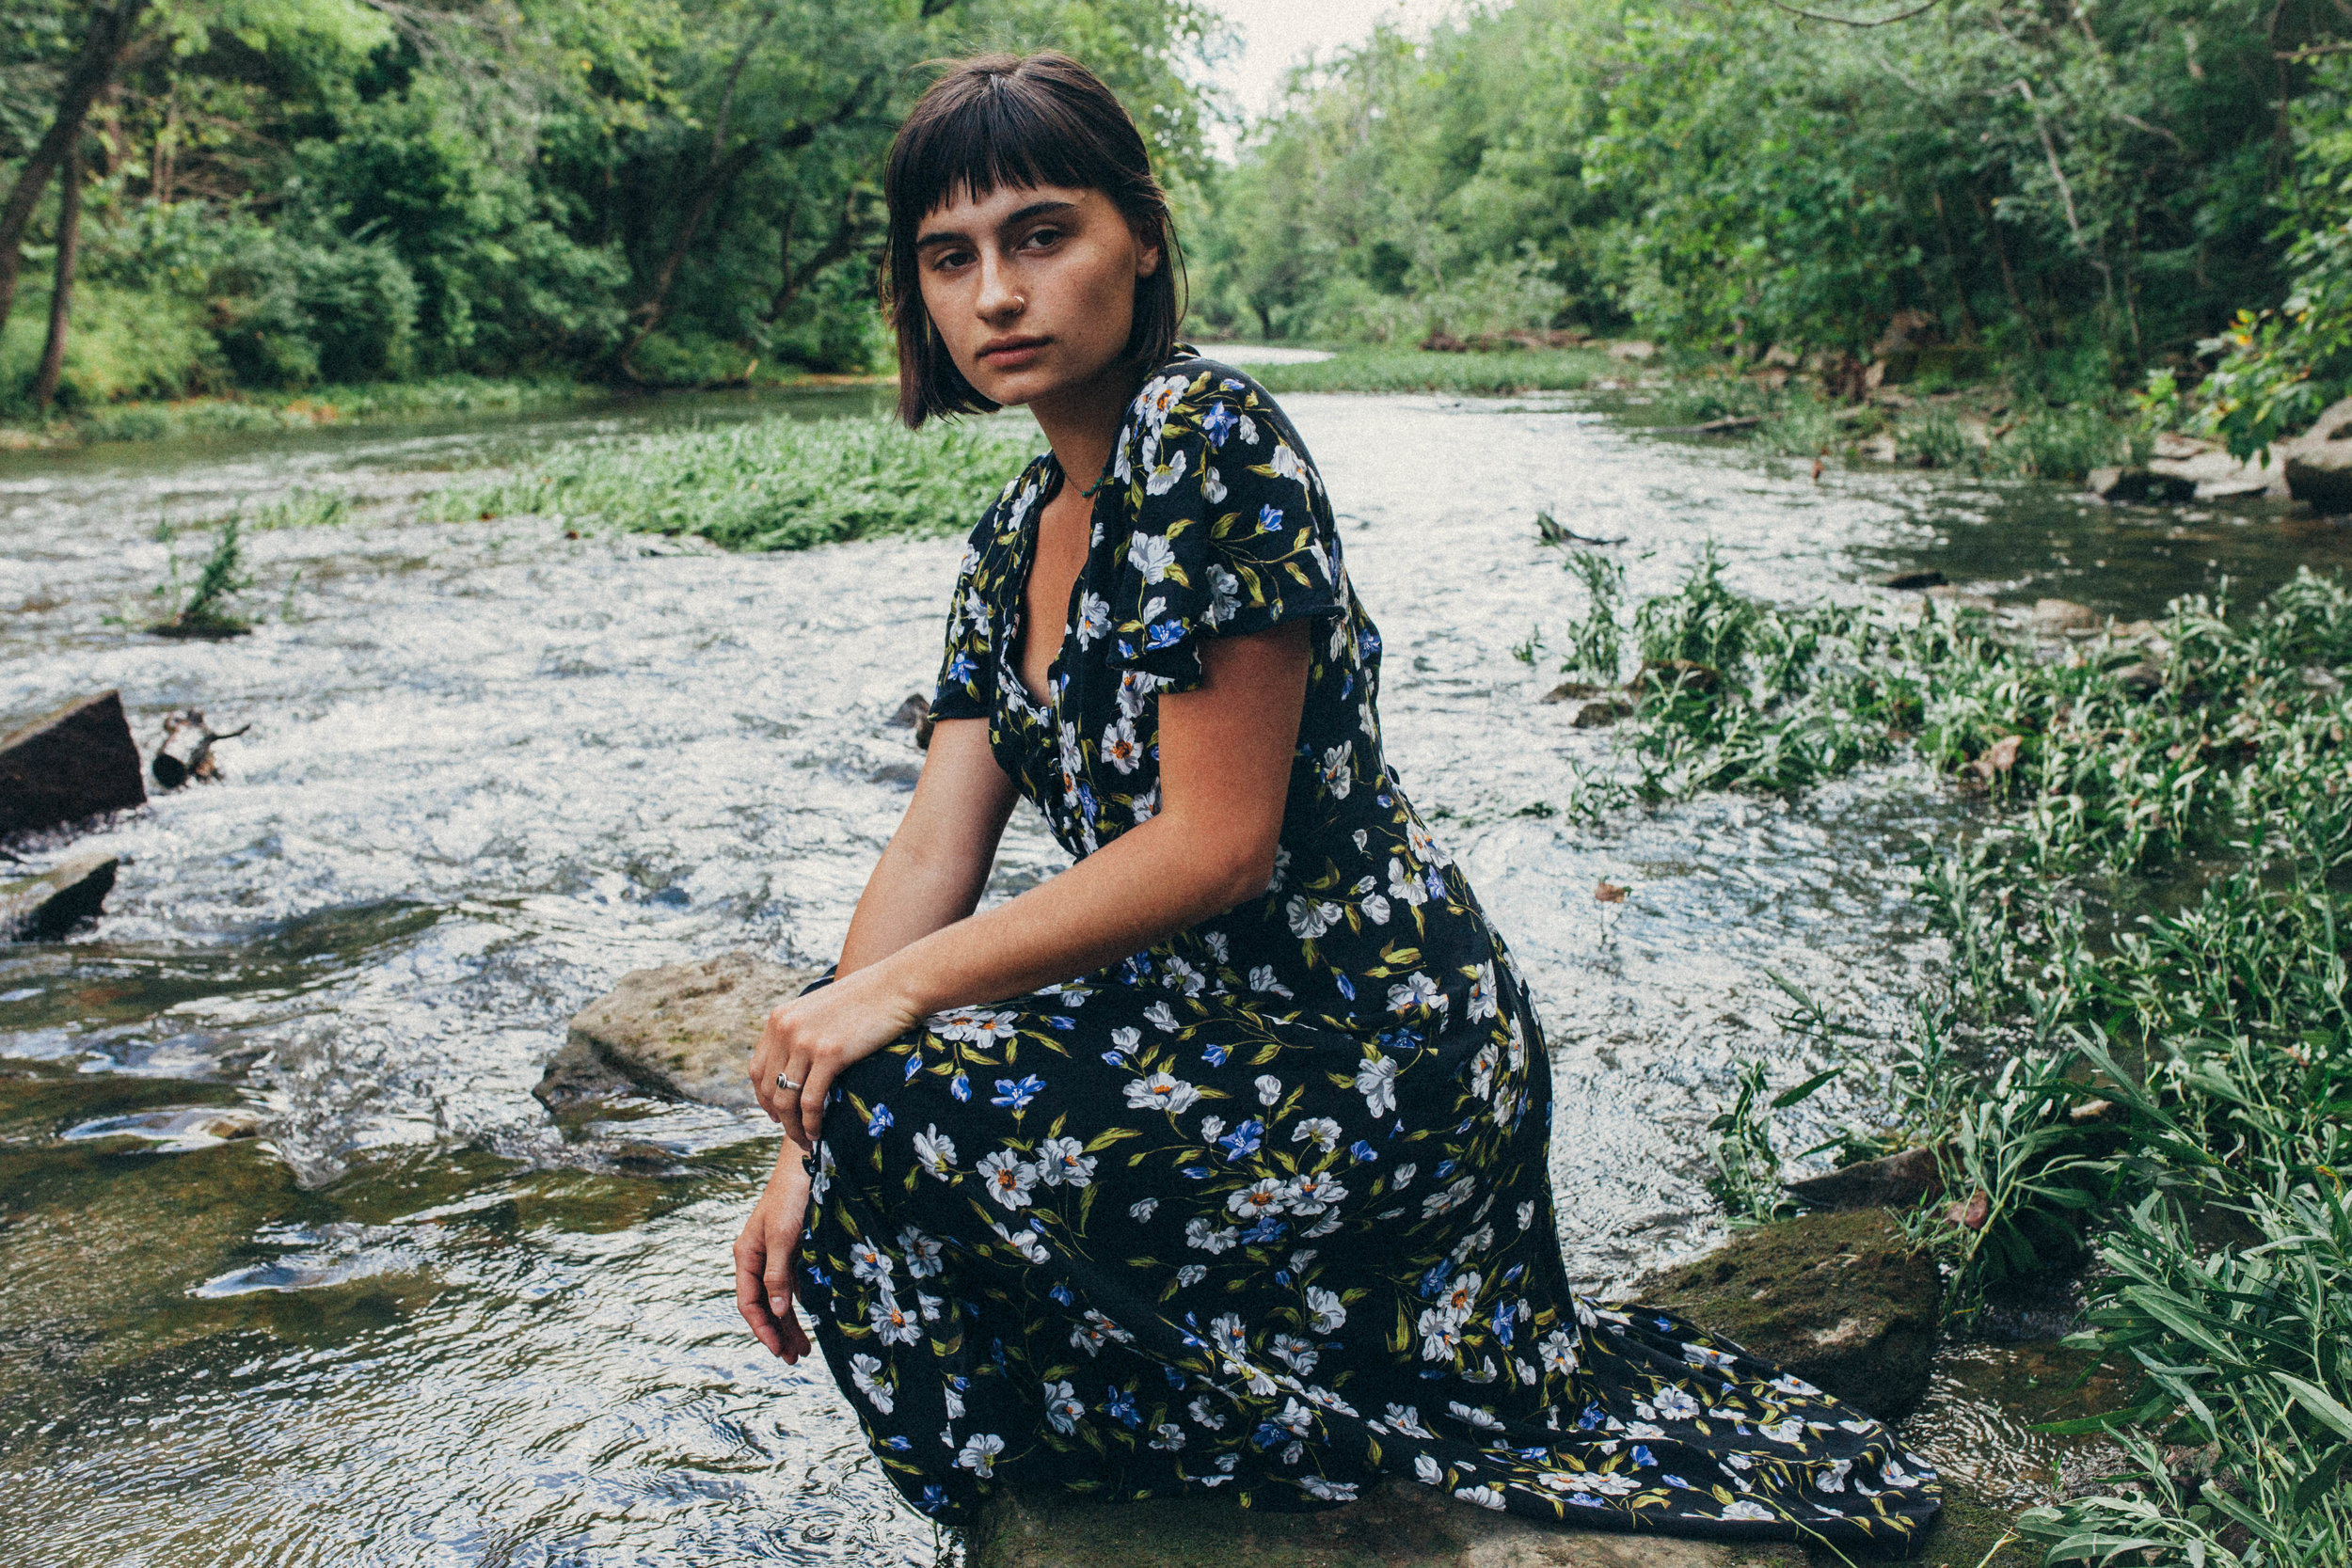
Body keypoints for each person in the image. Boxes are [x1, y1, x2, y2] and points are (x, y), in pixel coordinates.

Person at [731, 51, 1939, 1545]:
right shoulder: (1012, 535)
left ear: (1142, 238)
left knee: (891, 1056)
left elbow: (1219, 848)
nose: (996, 295)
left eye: (1042, 236)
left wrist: (888, 1013)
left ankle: (1199, 1448)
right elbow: (936, 838)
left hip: (1371, 1046)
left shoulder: (1210, 440)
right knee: (846, 1068)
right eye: (950, 257)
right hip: (1189, 1032)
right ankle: (1156, 1436)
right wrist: (806, 1127)